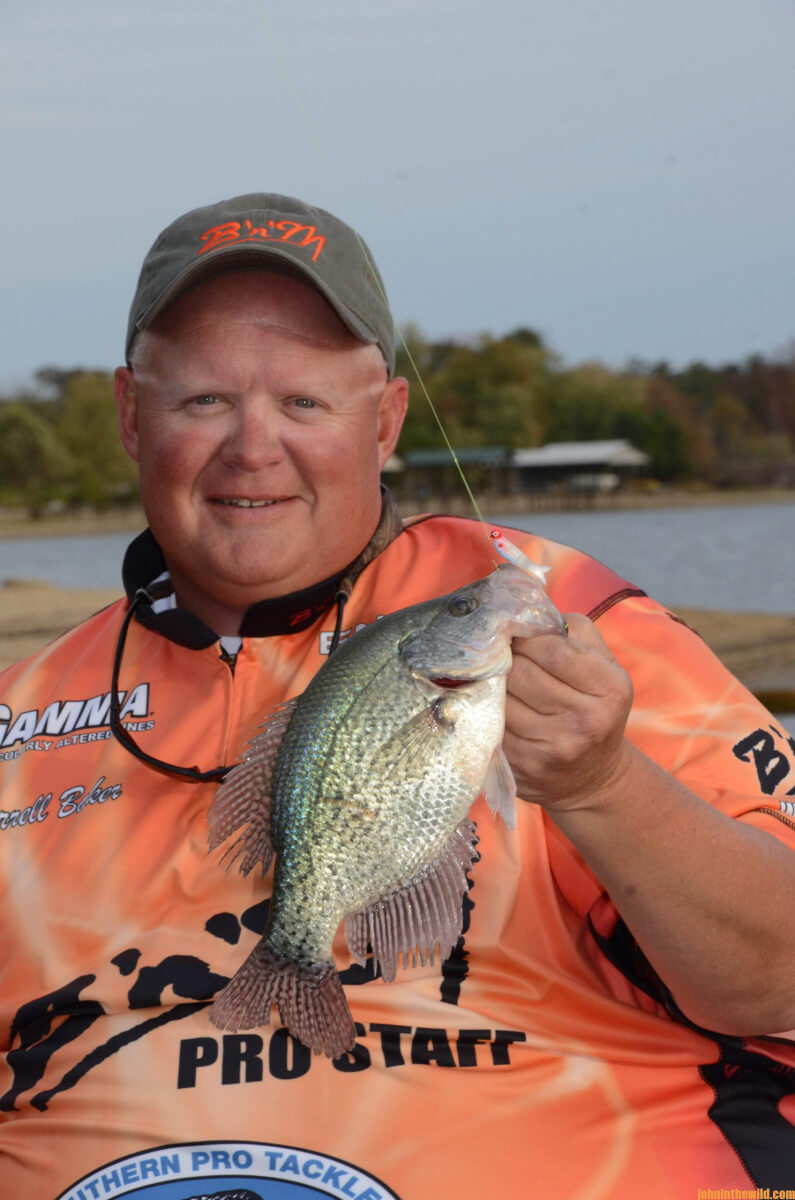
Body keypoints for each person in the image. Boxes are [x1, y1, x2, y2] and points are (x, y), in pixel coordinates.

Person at [1, 192, 794, 1200]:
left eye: (303, 403)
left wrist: (602, 785)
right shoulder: (21, 711)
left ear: (383, 423)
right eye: (203, 401)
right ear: (129, 415)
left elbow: (779, 981)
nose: (252, 446)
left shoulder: (571, 625)